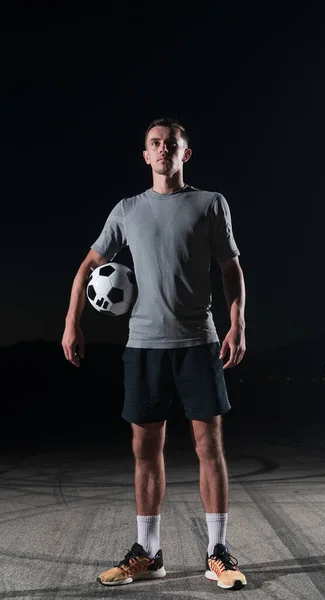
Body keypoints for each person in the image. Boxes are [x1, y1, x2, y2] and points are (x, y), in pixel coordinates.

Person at [61, 117, 247, 590]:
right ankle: (149, 552)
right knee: (145, 450)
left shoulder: (209, 205)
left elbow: (230, 269)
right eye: (155, 144)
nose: (163, 149)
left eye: (172, 144)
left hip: (198, 342)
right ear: (146, 156)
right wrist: (72, 321)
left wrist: (237, 323)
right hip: (143, 345)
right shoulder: (126, 211)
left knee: (210, 447)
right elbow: (87, 268)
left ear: (186, 153)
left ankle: (217, 553)